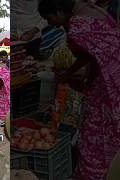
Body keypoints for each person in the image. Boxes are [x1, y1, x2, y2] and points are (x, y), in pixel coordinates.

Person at [38, 0, 120, 180]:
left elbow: (96, 57)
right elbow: (90, 56)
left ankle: (94, 172)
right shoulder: (90, 11)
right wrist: (70, 73)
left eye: (49, 17)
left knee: (97, 129)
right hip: (109, 80)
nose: (49, 23)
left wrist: (83, 77)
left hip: (109, 85)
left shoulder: (77, 28)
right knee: (107, 128)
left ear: (59, 10)